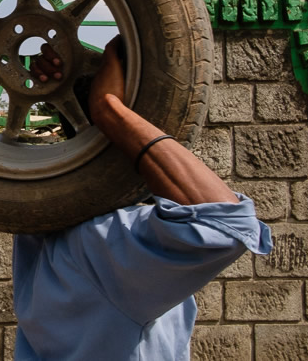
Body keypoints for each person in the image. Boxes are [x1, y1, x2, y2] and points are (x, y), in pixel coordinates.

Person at [14, 38, 272, 360]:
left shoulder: (39, 236)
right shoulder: (103, 249)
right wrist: (109, 110)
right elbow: (226, 223)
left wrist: (77, 89)